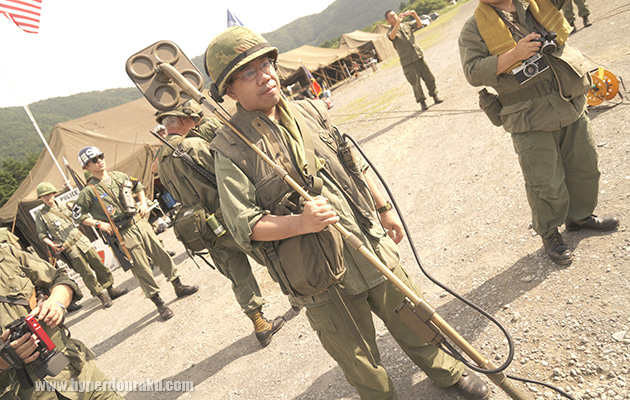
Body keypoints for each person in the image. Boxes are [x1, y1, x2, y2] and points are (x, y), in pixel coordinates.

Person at [204, 26, 490, 400]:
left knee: (412, 315)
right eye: (249, 73)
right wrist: (300, 223)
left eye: (266, 64)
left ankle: (448, 372)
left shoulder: (309, 110)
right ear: (229, 89)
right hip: (317, 271)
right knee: (356, 355)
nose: (265, 76)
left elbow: (349, 163)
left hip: (366, 239)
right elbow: (246, 226)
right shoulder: (229, 147)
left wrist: (382, 208)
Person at [458, 0, 618, 265]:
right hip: (528, 115)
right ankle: (549, 233)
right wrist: (514, 54)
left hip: (568, 101)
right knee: (545, 181)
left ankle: (580, 216)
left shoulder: (538, 3)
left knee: (585, 165)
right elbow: (473, 71)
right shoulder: (474, 27)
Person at [153, 101, 285, 346]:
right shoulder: (193, 145)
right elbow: (226, 172)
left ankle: (260, 324)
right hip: (227, 214)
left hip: (204, 225)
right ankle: (299, 294)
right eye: (192, 119)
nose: (196, 122)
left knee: (236, 272)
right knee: (269, 253)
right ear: (182, 121)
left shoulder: (161, 160)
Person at [71, 146, 199, 320]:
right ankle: (159, 303)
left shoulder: (119, 176)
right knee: (140, 267)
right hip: (122, 231)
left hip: (139, 223)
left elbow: (138, 185)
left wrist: (142, 203)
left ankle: (178, 285)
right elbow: (77, 215)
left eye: (100, 156)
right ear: (86, 167)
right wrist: (98, 223)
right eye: (93, 160)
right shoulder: (89, 192)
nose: (99, 160)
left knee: (161, 254)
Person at [0, 243, 124, 399]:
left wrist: (56, 302)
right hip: (25, 392)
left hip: (74, 370)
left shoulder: (6, 254)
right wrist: (5, 360)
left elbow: (59, 278)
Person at [34, 182, 128, 308]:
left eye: (49, 194)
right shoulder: (41, 215)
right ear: (40, 198)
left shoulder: (67, 205)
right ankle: (101, 295)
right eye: (43, 196)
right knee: (86, 273)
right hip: (69, 247)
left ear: (54, 193)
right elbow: (42, 234)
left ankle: (110, 289)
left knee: (98, 264)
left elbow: (81, 215)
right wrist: (52, 244)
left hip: (81, 240)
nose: (47, 197)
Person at [385, 9, 443, 111]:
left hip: (418, 56)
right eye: (391, 16)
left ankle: (435, 96)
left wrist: (415, 14)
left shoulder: (406, 25)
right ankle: (422, 102)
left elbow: (419, 24)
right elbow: (392, 36)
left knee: (429, 77)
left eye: (394, 14)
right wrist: (398, 22)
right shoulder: (390, 32)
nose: (394, 16)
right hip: (407, 61)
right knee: (415, 83)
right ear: (388, 21)